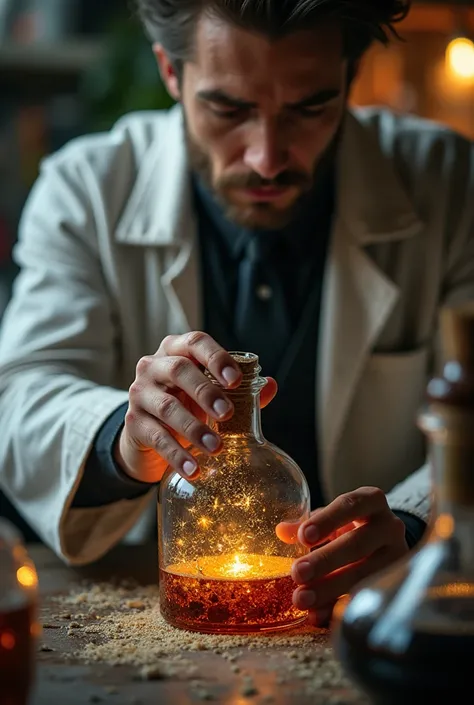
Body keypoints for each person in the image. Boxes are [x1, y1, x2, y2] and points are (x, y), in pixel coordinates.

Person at [0, 0, 473, 627]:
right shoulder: (86, 190)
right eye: (229, 109)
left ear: (350, 74)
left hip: (395, 608)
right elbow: (20, 396)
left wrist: (415, 522)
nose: (267, 158)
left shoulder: (448, 182)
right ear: (171, 70)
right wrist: (126, 434)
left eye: (310, 108)